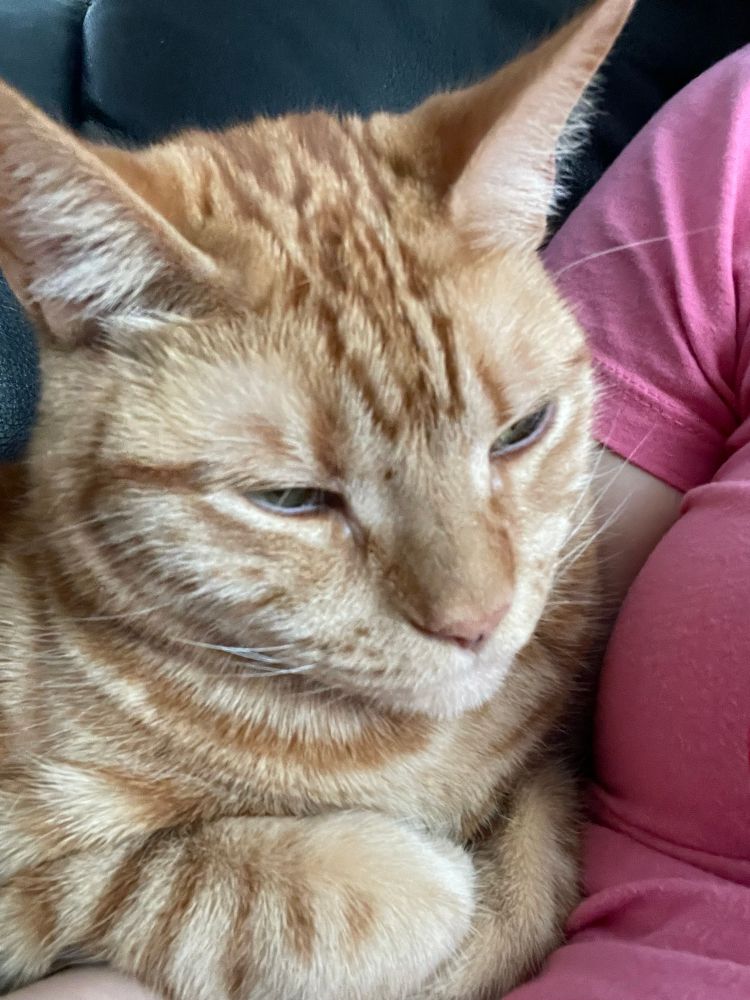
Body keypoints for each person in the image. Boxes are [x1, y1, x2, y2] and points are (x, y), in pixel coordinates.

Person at [7, 43, 750, 1000]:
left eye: (519, 430)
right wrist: (289, 915)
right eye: (294, 495)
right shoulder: (55, 664)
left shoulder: (537, 581)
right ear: (94, 312)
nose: (475, 604)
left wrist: (535, 865)